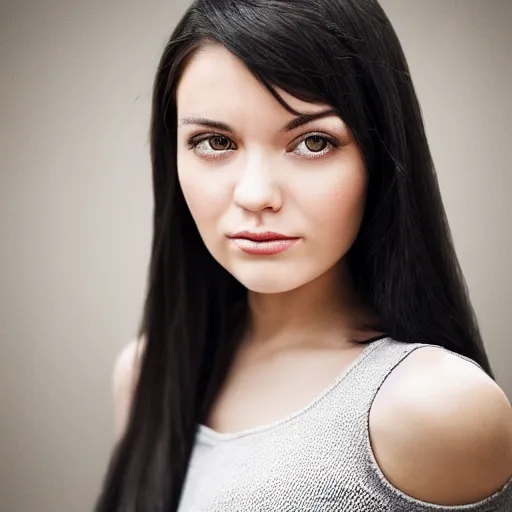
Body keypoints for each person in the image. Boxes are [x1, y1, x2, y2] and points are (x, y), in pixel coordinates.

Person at [94, 0, 512, 510]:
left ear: (380, 157)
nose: (254, 194)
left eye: (313, 142)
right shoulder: (145, 375)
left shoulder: (435, 407)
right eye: (213, 141)